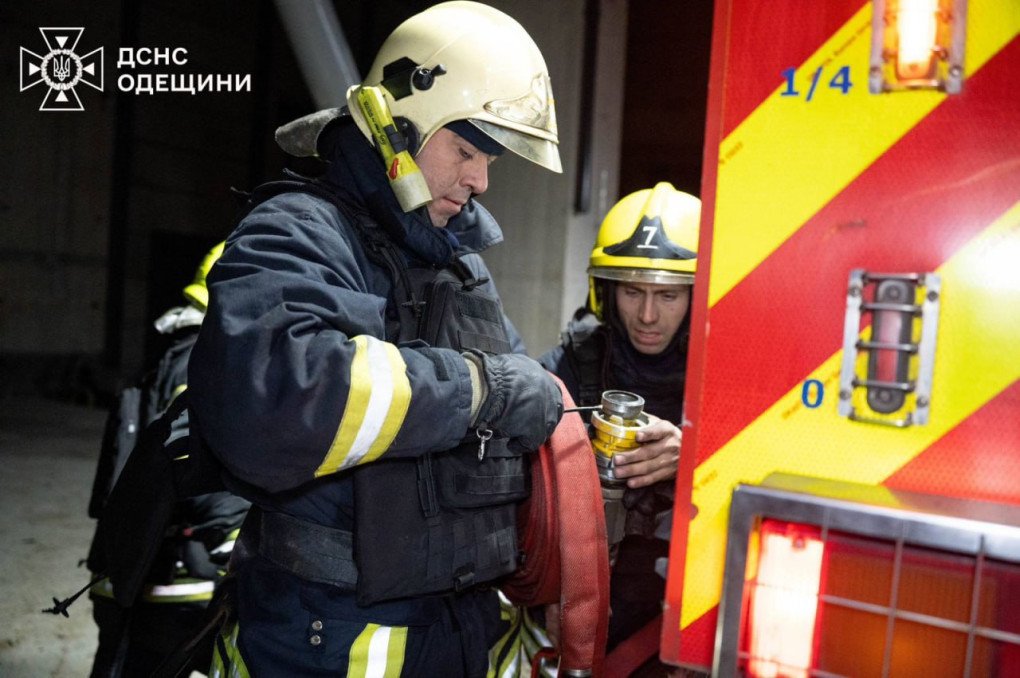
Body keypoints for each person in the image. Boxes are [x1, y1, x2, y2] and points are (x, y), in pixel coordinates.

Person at [186, 3, 565, 676]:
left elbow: (521, 399)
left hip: (462, 630)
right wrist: (479, 390)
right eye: (466, 150)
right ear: (394, 127)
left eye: (489, 159)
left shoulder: (462, 269)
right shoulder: (297, 232)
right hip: (319, 637)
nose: (480, 180)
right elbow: (278, 402)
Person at [526, 182, 699, 672]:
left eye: (668, 295)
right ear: (605, 291)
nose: (647, 315)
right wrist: (551, 594)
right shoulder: (571, 365)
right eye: (632, 291)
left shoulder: (728, 378)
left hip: (684, 614)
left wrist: (693, 455)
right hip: (578, 604)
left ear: (699, 296)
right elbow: (518, 488)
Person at [84, 241, 251, 678]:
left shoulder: (178, 354)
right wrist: (237, 547)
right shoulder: (202, 361)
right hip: (176, 585)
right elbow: (195, 458)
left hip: (143, 577)